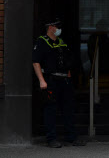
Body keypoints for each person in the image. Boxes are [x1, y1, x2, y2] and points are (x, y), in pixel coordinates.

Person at [32, 19, 86, 148]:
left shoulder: (61, 42)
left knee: (68, 109)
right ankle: (51, 139)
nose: (59, 29)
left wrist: (68, 73)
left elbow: (66, 59)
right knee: (50, 109)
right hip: (51, 80)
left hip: (64, 80)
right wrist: (41, 80)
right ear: (50, 27)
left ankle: (71, 137)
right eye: (57, 27)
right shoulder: (42, 42)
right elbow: (36, 62)